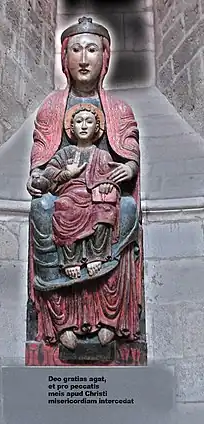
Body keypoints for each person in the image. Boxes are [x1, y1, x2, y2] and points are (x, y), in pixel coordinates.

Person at [26, 17, 142, 351]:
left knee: (127, 206)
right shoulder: (51, 108)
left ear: (105, 57)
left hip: (102, 194)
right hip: (66, 195)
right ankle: (61, 321)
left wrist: (130, 167)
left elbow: (129, 145)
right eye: (76, 49)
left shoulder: (119, 109)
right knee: (42, 208)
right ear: (65, 58)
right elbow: (41, 156)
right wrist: (42, 178)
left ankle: (110, 318)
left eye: (92, 49)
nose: (84, 58)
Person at [34, 104, 124, 279]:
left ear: (97, 127)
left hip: (95, 196)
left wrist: (107, 184)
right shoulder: (65, 152)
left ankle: (97, 256)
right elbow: (49, 173)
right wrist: (67, 173)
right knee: (65, 207)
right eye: (79, 121)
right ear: (72, 127)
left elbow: (112, 178)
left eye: (89, 121)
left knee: (103, 211)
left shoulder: (102, 155)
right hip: (70, 194)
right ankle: (70, 261)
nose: (83, 125)